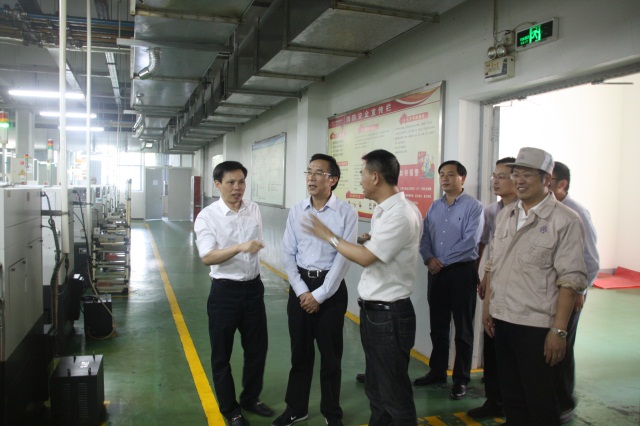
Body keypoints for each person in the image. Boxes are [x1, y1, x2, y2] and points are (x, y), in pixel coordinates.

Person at [304, 149, 423, 426]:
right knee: (376, 389)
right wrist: (369, 239)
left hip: (389, 315)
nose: (360, 180)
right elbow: (380, 249)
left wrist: (330, 237)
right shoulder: (385, 211)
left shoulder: (400, 214)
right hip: (376, 313)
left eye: (362, 174)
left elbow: (366, 258)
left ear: (376, 177)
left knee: (393, 394)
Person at [483, 147, 588, 425]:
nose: (518, 180)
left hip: (536, 325)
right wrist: (488, 308)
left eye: (527, 174)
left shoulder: (565, 220)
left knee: (539, 400)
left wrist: (559, 331)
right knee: (512, 396)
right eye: (516, 174)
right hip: (503, 319)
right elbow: (494, 264)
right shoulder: (507, 214)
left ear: (547, 179)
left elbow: (570, 280)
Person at [273, 154, 358, 426]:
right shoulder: (297, 211)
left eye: (319, 172)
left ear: (333, 180)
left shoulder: (346, 213)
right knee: (300, 354)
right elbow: (288, 253)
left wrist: (319, 295)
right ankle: (296, 408)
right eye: (309, 171)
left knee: (331, 357)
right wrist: (301, 291)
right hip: (300, 288)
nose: (311, 177)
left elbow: (344, 259)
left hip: (331, 291)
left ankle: (332, 413)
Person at [194, 161, 274, 426]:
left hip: (253, 290)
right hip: (225, 293)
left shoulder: (253, 209)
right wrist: (240, 247)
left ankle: (251, 398)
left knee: (257, 350)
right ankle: (231, 410)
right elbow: (207, 256)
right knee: (222, 355)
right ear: (218, 185)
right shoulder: (207, 216)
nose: (237, 188)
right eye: (231, 182)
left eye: (241, 182)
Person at [414, 160, 484, 400]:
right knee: (438, 326)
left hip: (461, 273)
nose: (444, 178)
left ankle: (461, 379)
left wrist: (440, 261)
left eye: (450, 174)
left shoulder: (474, 207)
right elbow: (425, 237)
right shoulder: (435, 207)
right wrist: (428, 258)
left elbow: (470, 243)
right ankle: (437, 372)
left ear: (462, 178)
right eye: (442, 174)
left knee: (463, 329)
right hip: (436, 273)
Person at [549, 161, 600, 423]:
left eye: (548, 182)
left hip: (571, 294)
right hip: (550, 294)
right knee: (549, 350)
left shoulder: (576, 213)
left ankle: (563, 404)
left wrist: (579, 291)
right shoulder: (549, 211)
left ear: (563, 184)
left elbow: (590, 260)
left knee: (562, 348)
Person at [467, 156, 516, 419]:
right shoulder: (492, 211)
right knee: (492, 343)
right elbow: (486, 246)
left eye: (502, 176)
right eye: (494, 176)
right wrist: (482, 275)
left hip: (518, 294)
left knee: (512, 354)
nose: (496, 181)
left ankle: (513, 405)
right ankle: (495, 401)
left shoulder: (525, 212)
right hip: (495, 286)